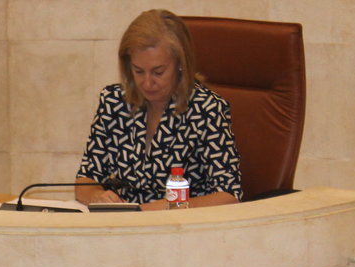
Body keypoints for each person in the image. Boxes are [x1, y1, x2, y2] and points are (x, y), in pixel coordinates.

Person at [75, 9, 242, 210]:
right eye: (138, 71)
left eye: (158, 72)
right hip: (124, 225)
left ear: (180, 64)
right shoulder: (114, 102)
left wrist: (149, 210)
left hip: (186, 228)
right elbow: (86, 180)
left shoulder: (207, 110)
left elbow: (229, 195)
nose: (147, 82)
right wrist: (97, 196)